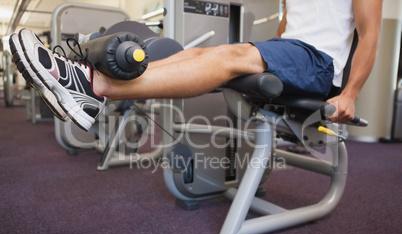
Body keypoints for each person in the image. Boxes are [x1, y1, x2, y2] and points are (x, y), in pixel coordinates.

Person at [10, 0, 382, 131]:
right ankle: (92, 84)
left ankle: (94, 87)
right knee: (203, 54)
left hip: (318, 63)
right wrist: (266, 54)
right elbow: (286, 29)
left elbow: (369, 35)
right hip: (290, 50)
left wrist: (350, 93)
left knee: (226, 56)